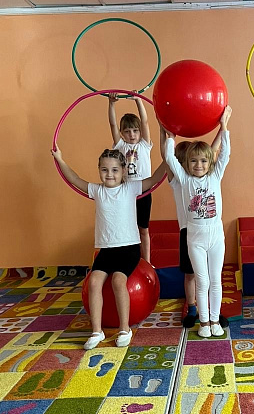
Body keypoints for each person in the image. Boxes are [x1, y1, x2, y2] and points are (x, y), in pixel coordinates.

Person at [51, 145, 166, 350]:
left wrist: (168, 158)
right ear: (99, 170)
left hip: (129, 249)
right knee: (94, 282)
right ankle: (97, 331)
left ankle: (124, 329)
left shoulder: (131, 188)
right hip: (106, 251)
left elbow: (154, 179)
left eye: (114, 170)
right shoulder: (97, 190)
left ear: (123, 171)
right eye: (104, 170)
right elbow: (75, 179)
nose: (109, 174)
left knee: (118, 281)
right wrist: (60, 159)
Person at [162, 106, 232, 338]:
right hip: (195, 238)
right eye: (193, 161)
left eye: (203, 161)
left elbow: (224, 154)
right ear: (187, 163)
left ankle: (215, 320)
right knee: (202, 281)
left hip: (215, 236)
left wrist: (224, 126)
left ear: (209, 163)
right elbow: (169, 158)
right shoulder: (183, 179)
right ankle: (204, 322)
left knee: (216, 280)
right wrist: (170, 136)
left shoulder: (215, 176)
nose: (198, 165)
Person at [108, 93, 153, 262]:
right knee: (127, 229)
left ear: (140, 132)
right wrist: (111, 104)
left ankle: (147, 261)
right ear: (122, 133)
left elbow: (145, 122)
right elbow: (112, 124)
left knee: (143, 229)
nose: (132, 135)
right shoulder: (120, 145)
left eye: (135, 131)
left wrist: (138, 100)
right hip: (126, 192)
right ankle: (130, 259)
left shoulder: (144, 145)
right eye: (127, 132)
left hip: (144, 190)